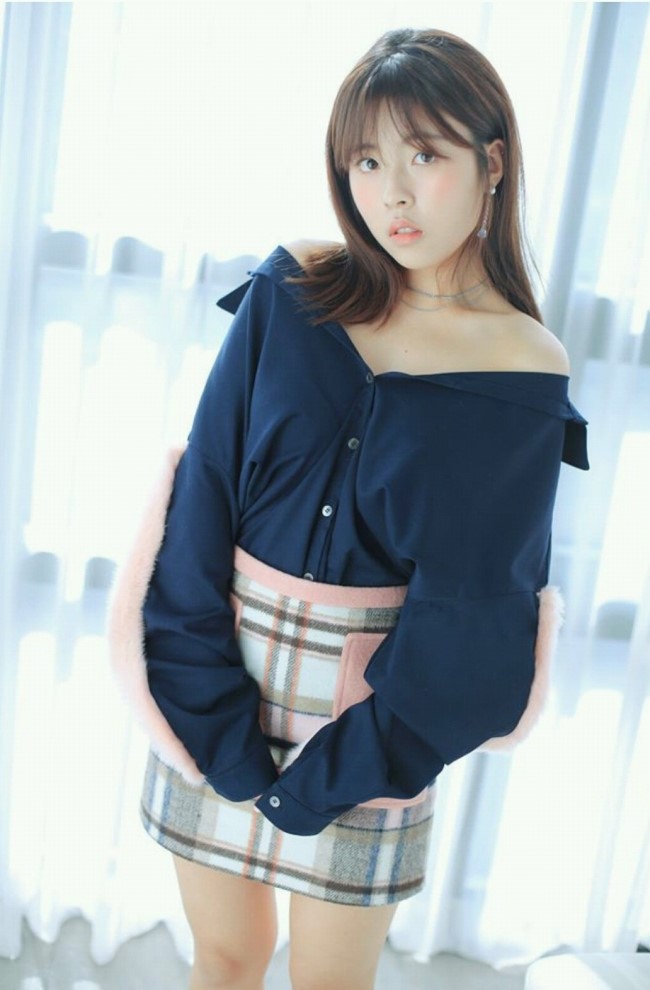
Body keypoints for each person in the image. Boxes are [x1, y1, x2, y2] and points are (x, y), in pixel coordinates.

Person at [108, 26, 589, 990]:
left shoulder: (521, 366)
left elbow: (475, 616)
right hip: (218, 675)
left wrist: (344, 769)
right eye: (367, 161)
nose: (393, 195)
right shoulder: (292, 291)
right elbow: (203, 500)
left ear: (492, 163)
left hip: (379, 722)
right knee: (225, 958)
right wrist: (211, 715)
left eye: (426, 156)